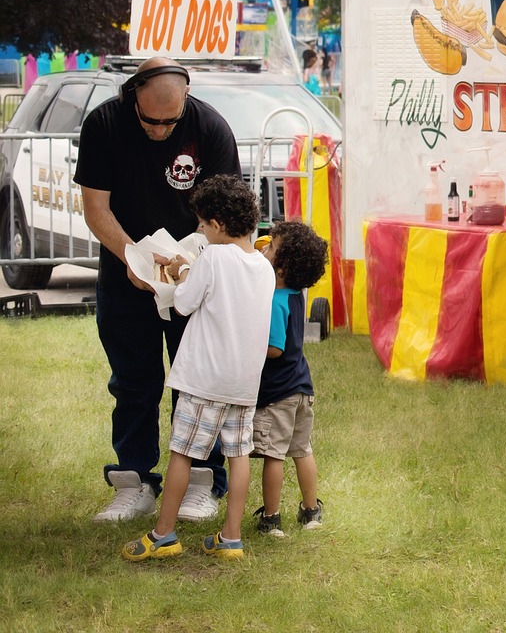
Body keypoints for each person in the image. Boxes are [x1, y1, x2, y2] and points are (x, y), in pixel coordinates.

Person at [77, 58, 242, 524]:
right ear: (133, 96)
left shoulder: (210, 128)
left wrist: (187, 260)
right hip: (125, 277)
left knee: (198, 384)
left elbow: (221, 211)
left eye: (171, 121)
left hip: (194, 276)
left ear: (186, 98)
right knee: (133, 383)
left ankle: (201, 482)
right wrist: (134, 259)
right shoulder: (104, 125)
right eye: (151, 119)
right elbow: (95, 207)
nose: (161, 129)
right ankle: (133, 482)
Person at [121, 175, 274, 563]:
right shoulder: (263, 266)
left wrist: (183, 268)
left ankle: (162, 534)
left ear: (218, 225)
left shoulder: (213, 256)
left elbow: (184, 303)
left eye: (202, 224)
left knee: (182, 454)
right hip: (242, 384)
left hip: (205, 380)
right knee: (238, 457)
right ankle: (231, 538)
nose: (199, 231)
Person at [252, 219, 328, 537]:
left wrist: (246, 345)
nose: (264, 247)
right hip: (301, 388)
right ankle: (311, 511)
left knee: (274, 455)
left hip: (278, 392)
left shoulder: (274, 300)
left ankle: (271, 519)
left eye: (270, 247)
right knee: (302, 450)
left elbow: (273, 349)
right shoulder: (296, 293)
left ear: (281, 269)